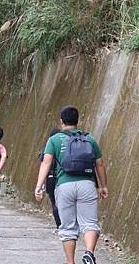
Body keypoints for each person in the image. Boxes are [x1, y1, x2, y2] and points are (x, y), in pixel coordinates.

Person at [35, 106, 108, 264]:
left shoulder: (54, 139)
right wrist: (103, 186)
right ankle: (89, 252)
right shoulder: (89, 139)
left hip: (64, 186)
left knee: (67, 228)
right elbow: (100, 164)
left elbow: (46, 163)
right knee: (89, 223)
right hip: (87, 184)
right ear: (77, 121)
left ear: (61, 121)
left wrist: (39, 186)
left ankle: (71, 262)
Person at [38, 128, 62, 229]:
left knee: (54, 202)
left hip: (50, 178)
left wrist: (41, 185)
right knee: (63, 202)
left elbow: (44, 164)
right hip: (61, 177)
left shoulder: (47, 148)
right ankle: (66, 225)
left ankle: (59, 225)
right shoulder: (64, 147)